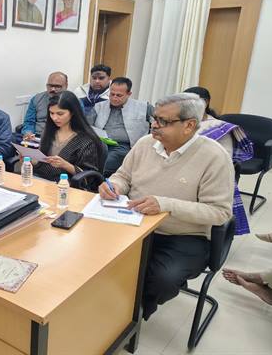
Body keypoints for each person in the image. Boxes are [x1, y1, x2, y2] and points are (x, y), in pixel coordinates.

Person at [99, 93, 234, 320]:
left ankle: (136, 315)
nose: (154, 125)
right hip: (135, 224)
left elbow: (219, 212)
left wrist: (166, 205)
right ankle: (112, 309)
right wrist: (114, 186)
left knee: (163, 279)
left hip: (183, 235)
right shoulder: (145, 144)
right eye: (155, 118)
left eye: (163, 121)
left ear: (189, 125)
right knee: (98, 259)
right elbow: (123, 176)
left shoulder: (214, 157)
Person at [184, 86, 254, 235]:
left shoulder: (219, 127)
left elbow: (224, 160)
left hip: (206, 174)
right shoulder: (179, 122)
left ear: (205, 103)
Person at [32, 91, 104, 183]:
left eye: (60, 114)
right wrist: (30, 160)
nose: (54, 118)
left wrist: (65, 165)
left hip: (65, 184)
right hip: (40, 179)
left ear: (73, 112)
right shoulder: (49, 131)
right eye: (51, 113)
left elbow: (89, 177)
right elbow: (42, 161)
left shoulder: (86, 140)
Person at [88, 77, 153, 175]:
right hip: (100, 143)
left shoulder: (144, 107)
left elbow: (159, 122)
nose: (114, 98)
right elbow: (86, 125)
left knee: (105, 163)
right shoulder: (99, 106)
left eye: (119, 95)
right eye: (112, 94)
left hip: (123, 146)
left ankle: (94, 181)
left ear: (129, 94)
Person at [21, 71, 69, 138]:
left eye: (57, 86)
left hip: (62, 138)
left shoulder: (74, 102)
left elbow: (78, 125)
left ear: (66, 86)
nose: (52, 89)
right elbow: (29, 122)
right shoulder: (36, 99)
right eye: (50, 85)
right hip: (37, 136)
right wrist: (28, 132)